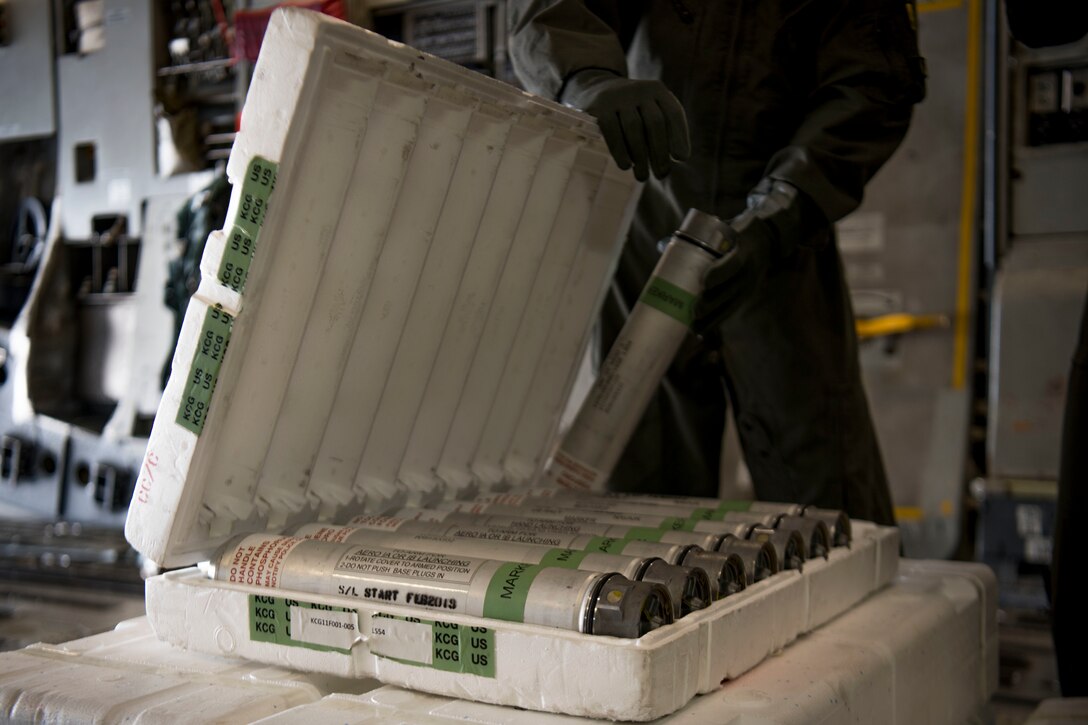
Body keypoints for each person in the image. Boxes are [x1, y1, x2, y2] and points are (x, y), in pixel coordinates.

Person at [508, 0, 926, 525]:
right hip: (650, 218)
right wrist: (584, 78)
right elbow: (555, 9)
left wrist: (780, 215)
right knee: (638, 503)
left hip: (785, 240)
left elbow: (874, 81)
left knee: (827, 503)